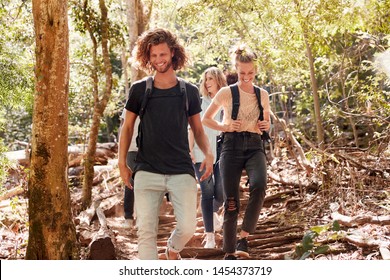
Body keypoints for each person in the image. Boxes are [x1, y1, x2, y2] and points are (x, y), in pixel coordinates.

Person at [118, 28, 214, 260]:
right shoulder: (140, 90)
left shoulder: (188, 91)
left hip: (180, 169)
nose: (159, 60)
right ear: (147, 58)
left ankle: (172, 248)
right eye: (154, 56)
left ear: (172, 53)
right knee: (146, 233)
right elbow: (128, 127)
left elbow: (198, 129)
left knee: (189, 227)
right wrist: (121, 163)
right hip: (147, 170)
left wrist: (208, 154)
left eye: (162, 54)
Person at [202, 44, 271, 260]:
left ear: (256, 71)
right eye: (242, 73)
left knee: (259, 186)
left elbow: (266, 120)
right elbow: (206, 118)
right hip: (230, 147)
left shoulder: (263, 94)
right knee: (231, 202)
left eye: (250, 73)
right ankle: (230, 252)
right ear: (236, 69)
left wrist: (265, 125)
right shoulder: (225, 93)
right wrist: (226, 126)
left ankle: (244, 237)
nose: (246, 77)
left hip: (254, 146)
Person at [188, 67, 226, 248]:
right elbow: (191, 128)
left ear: (219, 80)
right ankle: (209, 236)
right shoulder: (199, 103)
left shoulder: (227, 102)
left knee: (221, 193)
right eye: (205, 79)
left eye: (210, 78)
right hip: (200, 154)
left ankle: (212, 212)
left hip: (222, 155)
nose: (207, 82)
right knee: (207, 192)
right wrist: (189, 150)